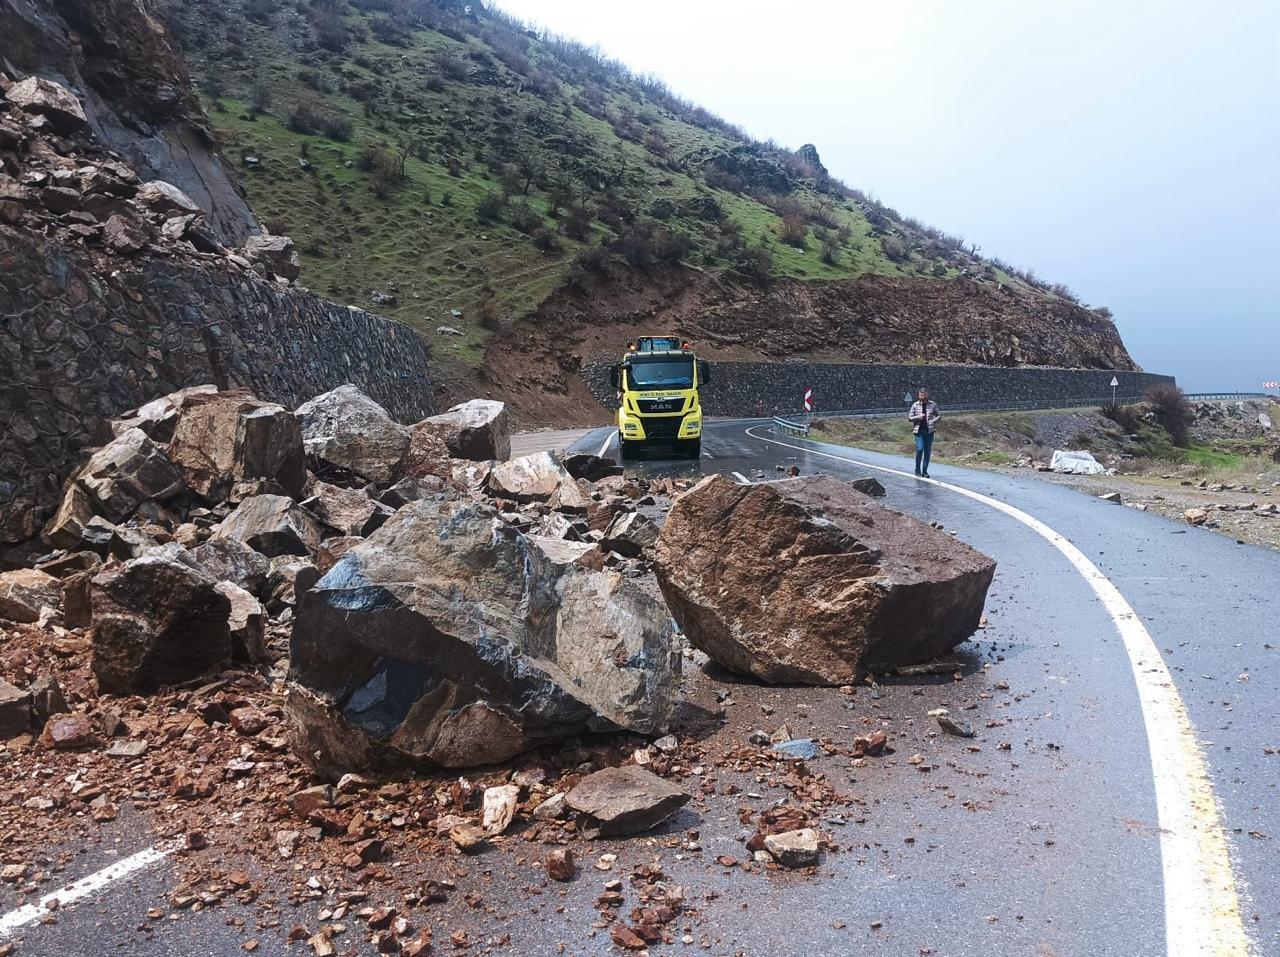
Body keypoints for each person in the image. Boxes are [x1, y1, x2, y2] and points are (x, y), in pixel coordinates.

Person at [908, 388, 940, 477]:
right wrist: (918, 417)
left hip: (929, 431)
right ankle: (917, 469)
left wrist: (933, 421)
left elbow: (939, 415)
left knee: (927, 451)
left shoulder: (932, 404)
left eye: (925, 395)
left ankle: (925, 471)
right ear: (919, 396)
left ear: (927, 395)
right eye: (921, 395)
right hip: (919, 431)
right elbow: (909, 418)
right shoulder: (915, 405)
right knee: (920, 449)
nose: (923, 397)